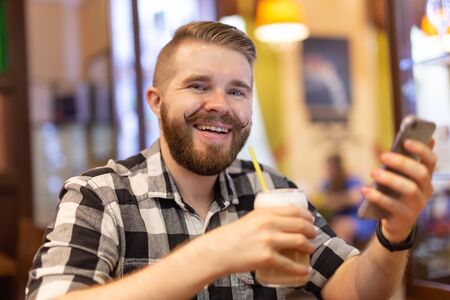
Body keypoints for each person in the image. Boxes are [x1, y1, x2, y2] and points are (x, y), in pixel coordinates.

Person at [26, 21, 436, 300]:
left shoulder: (275, 192)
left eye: (237, 91)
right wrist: (216, 252)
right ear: (156, 101)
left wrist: (394, 231)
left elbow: (357, 289)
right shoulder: (100, 196)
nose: (221, 106)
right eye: (199, 85)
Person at [320, 154, 376, 246]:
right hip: (338, 220)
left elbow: (355, 198)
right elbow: (321, 199)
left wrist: (335, 200)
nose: (329, 171)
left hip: (359, 219)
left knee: (341, 226)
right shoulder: (328, 183)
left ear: (338, 168)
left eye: (331, 168)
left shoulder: (352, 180)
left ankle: (347, 257)